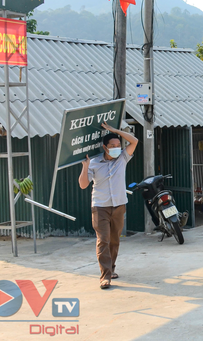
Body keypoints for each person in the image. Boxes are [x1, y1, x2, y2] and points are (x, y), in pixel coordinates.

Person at [79, 122, 138, 289]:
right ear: (105, 147)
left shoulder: (122, 159)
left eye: (118, 145)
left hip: (119, 205)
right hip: (100, 207)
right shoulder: (95, 163)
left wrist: (115, 131)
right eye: (113, 146)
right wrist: (85, 167)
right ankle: (105, 276)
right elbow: (83, 184)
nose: (117, 148)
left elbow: (134, 141)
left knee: (114, 240)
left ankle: (111, 269)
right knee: (103, 240)